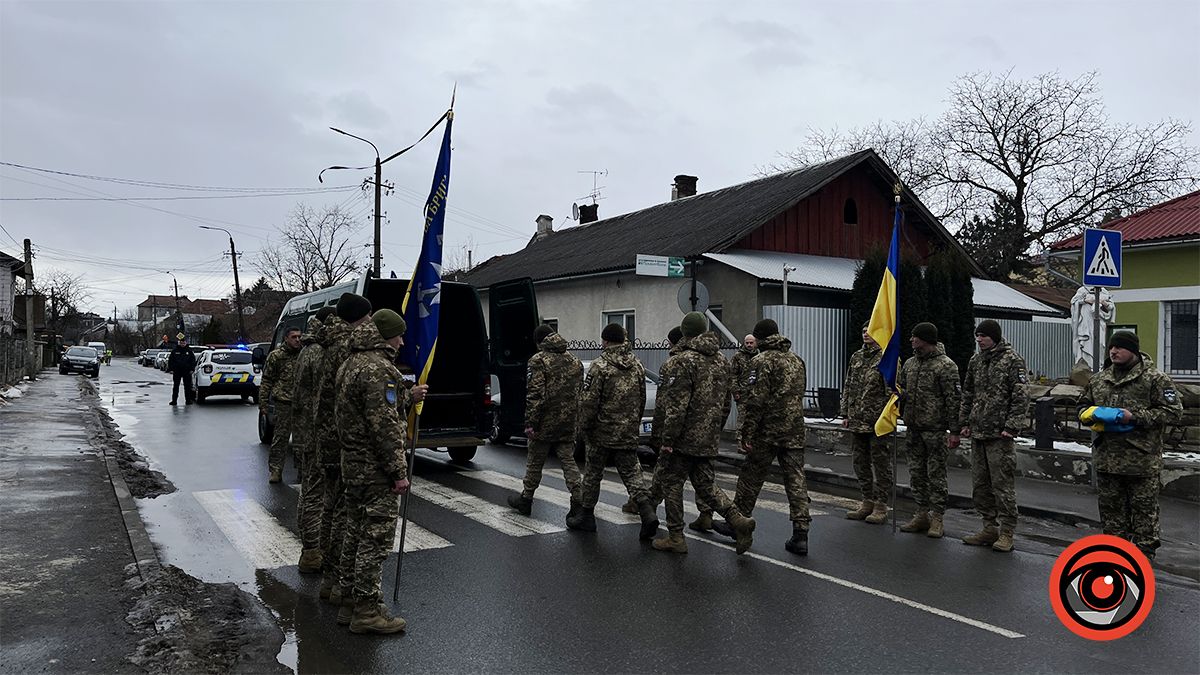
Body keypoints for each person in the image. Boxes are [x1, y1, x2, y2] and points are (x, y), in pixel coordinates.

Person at [335, 308, 427, 634]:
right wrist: (398, 472)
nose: (402, 342)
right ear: (386, 336)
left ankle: (348, 602)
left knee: (354, 535)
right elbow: (384, 427)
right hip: (375, 471)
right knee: (374, 542)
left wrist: (405, 394)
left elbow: (364, 410)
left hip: (354, 467)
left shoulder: (351, 363)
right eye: (399, 335)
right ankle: (367, 611)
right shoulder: (378, 370)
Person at [651, 312, 756, 555]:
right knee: (706, 485)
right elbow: (726, 402)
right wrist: (714, 430)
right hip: (708, 436)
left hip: (683, 438)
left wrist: (667, 440)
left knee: (671, 484)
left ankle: (676, 536)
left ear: (685, 332)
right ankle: (738, 521)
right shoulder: (721, 359)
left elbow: (676, 407)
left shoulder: (683, 361)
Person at [1077, 331, 1182, 559]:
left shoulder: (1155, 378)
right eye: (1111, 348)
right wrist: (1089, 414)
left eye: (1119, 348)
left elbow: (1173, 413)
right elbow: (1083, 405)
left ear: (1133, 351)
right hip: (1107, 459)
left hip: (1141, 461)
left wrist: (1134, 417)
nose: (1113, 351)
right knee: (1111, 513)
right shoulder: (1099, 379)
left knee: (1144, 513)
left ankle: (1143, 556)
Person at [718, 319, 811, 555]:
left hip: (767, 432)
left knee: (751, 477)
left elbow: (755, 401)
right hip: (794, 430)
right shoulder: (797, 360)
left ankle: (738, 522)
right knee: (796, 480)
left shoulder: (760, 361)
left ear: (759, 339)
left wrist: (747, 432)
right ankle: (801, 533)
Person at [567, 323, 659, 540]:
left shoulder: (600, 366)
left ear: (605, 341)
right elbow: (642, 397)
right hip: (627, 431)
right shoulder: (637, 365)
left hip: (601, 432)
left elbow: (589, 403)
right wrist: (633, 423)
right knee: (632, 475)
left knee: (593, 475)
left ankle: (586, 517)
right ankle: (647, 513)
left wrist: (584, 427)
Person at [319, 293, 373, 613]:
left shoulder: (330, 344)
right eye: (367, 317)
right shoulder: (346, 348)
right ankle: (340, 581)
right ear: (358, 318)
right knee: (345, 514)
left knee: (334, 507)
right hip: (343, 440)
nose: (370, 322)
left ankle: (330, 579)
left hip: (329, 436)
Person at [959, 319, 1028, 553]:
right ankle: (989, 527)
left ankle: (1007, 532)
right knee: (980, 485)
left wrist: (1012, 426)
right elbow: (968, 392)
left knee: (1002, 485)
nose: (979, 340)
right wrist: (964, 422)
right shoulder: (976, 361)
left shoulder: (1012, 360)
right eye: (977, 336)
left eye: (984, 336)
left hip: (1000, 434)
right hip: (979, 431)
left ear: (995, 337)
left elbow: (1020, 396)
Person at [507, 324, 585, 522]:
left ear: (539, 342)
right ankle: (578, 502)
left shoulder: (538, 360)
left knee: (535, 462)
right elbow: (579, 394)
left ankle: (526, 499)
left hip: (544, 422)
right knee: (568, 462)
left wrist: (530, 423)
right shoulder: (575, 361)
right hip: (568, 422)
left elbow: (535, 393)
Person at [896, 322, 961, 538]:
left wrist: (955, 430)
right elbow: (903, 390)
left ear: (926, 340)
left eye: (915, 337)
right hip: (913, 427)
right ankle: (921, 513)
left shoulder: (946, 366)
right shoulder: (910, 364)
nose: (911, 340)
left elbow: (953, 400)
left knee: (936, 474)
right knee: (916, 473)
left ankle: (937, 517)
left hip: (935, 429)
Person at [291, 307, 336, 573]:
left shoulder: (307, 350)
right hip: (317, 435)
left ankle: (310, 551)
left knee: (310, 492)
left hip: (308, 433)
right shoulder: (318, 353)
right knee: (314, 495)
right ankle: (311, 552)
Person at [840, 322, 893, 525]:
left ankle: (881, 505)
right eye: (862, 331)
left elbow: (892, 391)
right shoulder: (857, 357)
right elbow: (848, 385)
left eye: (869, 331)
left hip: (877, 421)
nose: (865, 334)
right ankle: (867, 500)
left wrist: (888, 417)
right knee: (860, 463)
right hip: (857, 419)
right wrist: (845, 412)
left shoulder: (886, 358)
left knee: (881, 464)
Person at [260, 326, 303, 484]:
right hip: (283, 402)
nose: (297, 340)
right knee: (281, 439)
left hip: (301, 403)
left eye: (299, 336)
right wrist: (263, 403)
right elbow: (267, 380)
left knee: (301, 440)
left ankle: (302, 471)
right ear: (286, 338)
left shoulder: (304, 354)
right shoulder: (276, 356)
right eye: (294, 337)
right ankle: (275, 470)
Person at [729, 333, 758, 445]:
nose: (749, 345)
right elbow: (732, 375)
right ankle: (740, 442)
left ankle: (751, 442)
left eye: (751, 343)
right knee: (742, 418)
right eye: (747, 343)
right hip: (743, 393)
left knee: (755, 419)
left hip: (756, 393)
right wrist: (735, 391)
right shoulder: (738, 357)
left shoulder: (759, 356)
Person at [167, 335, 196, 405]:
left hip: (187, 371)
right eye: (181, 343)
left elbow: (193, 361)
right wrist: (171, 369)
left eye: (184, 343)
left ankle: (188, 400)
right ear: (179, 343)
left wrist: (192, 369)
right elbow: (171, 360)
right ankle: (174, 401)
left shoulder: (189, 351)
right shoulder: (175, 351)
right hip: (177, 371)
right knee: (176, 386)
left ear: (186, 343)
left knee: (187, 386)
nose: (182, 344)